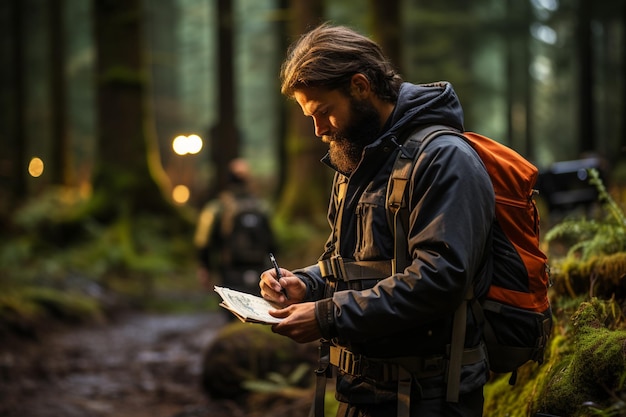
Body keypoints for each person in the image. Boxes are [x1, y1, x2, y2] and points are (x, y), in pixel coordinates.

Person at [259, 23, 495, 417]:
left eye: (324, 112)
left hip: (430, 399)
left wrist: (328, 316)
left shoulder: (444, 158)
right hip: (360, 395)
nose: (318, 130)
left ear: (360, 86)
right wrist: (306, 283)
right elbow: (346, 267)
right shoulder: (354, 161)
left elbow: (440, 279)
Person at [194, 158, 275, 298]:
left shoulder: (218, 207)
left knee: (232, 307)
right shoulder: (261, 206)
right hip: (259, 268)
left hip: (229, 269)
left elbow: (204, 240)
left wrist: (204, 266)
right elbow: (271, 240)